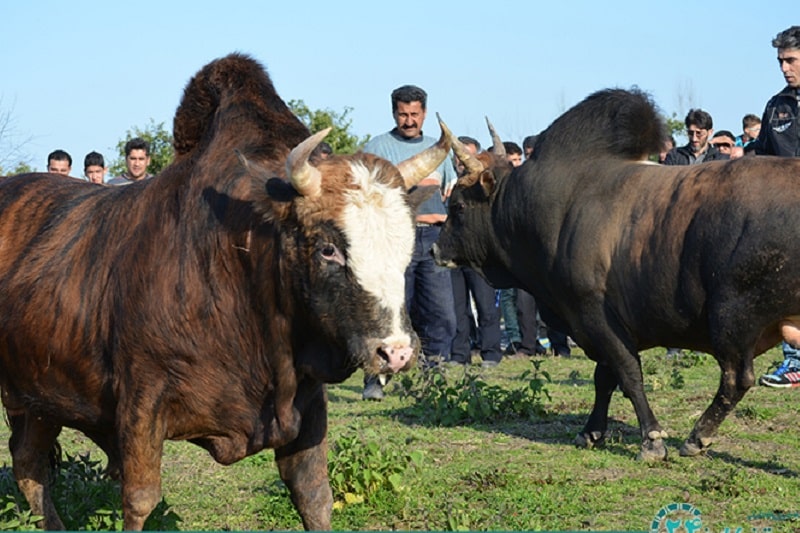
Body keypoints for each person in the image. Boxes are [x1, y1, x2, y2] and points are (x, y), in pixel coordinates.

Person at [360, 84, 458, 400]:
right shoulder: (376, 147)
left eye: (415, 114)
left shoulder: (439, 151)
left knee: (442, 314)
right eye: (403, 114)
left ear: (425, 113)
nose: (409, 120)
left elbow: (448, 193)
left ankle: (434, 379)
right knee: (385, 313)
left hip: (432, 239)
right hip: (391, 241)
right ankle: (375, 380)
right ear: (394, 113)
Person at [753, 26, 800, 388]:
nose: (785, 68)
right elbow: (763, 157)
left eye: (791, 60)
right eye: (781, 61)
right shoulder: (776, 106)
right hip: (782, 217)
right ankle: (795, 362)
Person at [449, 136, 503, 368]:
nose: (463, 162)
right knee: (457, 307)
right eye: (460, 158)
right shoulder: (448, 179)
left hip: (478, 253)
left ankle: (490, 353)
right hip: (453, 252)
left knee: (486, 304)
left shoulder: (485, 186)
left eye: (469, 156)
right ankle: (460, 354)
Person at [663, 109, 729, 165]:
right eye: (690, 133)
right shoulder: (674, 155)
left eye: (699, 133)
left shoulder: (720, 160)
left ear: (710, 132)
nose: (694, 138)